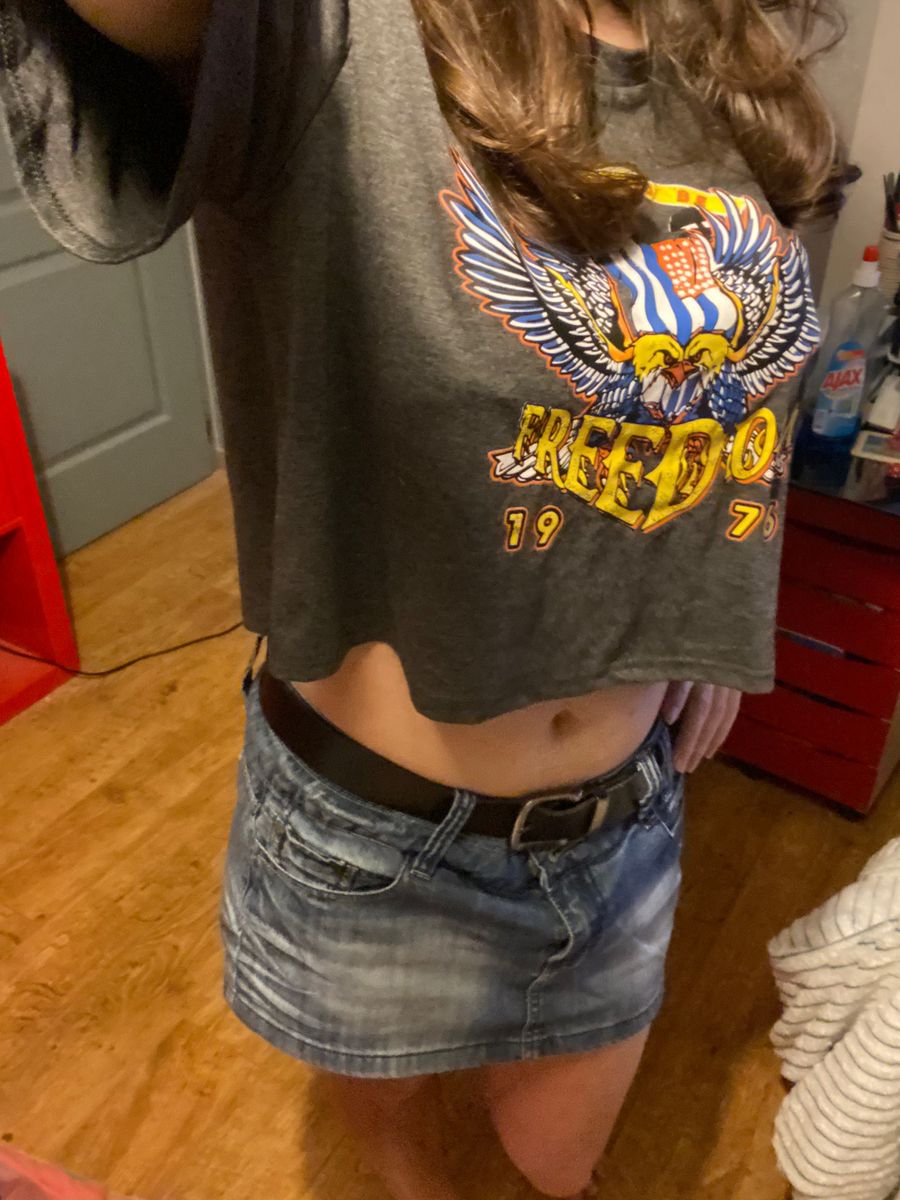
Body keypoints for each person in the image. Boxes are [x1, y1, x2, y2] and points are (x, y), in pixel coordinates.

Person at [0, 0, 847, 1196]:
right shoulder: (333, 33)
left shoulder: (728, 56)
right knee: (395, 1133)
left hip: (622, 830)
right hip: (375, 837)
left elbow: (733, 391)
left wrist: (707, 607)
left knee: (558, 1169)